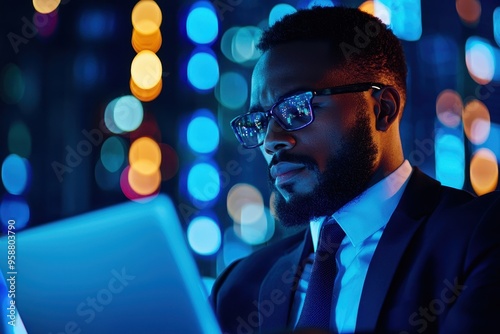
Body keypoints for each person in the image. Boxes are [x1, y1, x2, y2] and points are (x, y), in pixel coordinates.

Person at [210, 6, 500, 334]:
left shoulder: (479, 238)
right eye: (259, 122)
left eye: (296, 109)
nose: (271, 140)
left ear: (383, 109)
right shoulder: (237, 287)